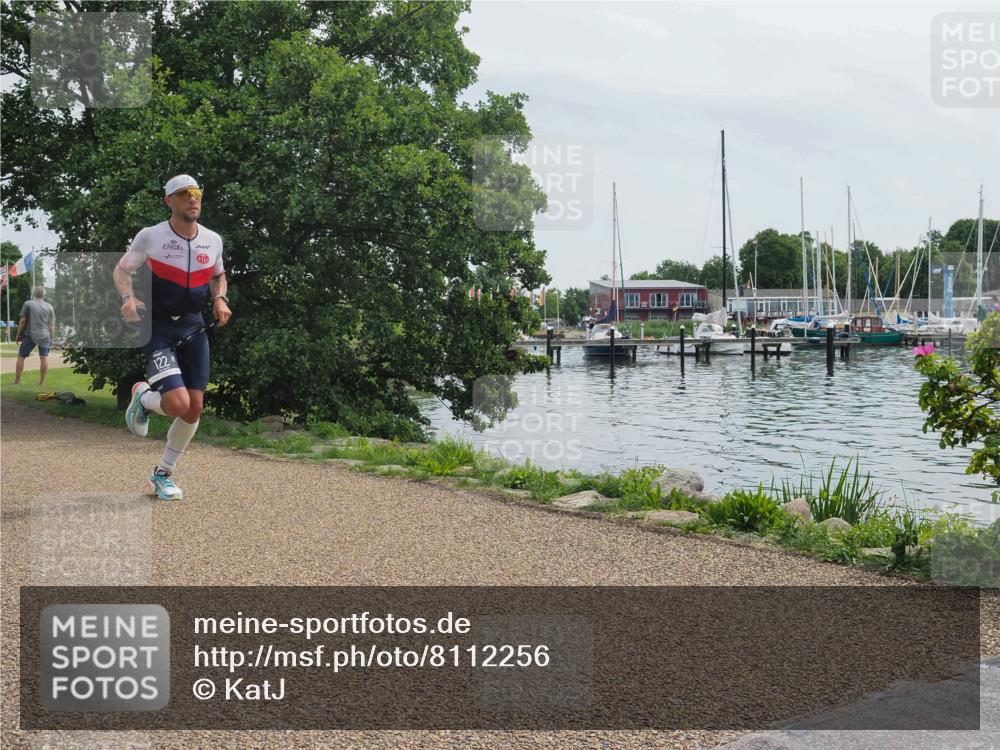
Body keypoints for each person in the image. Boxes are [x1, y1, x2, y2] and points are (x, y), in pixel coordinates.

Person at [113, 174, 232, 501]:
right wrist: (128, 298)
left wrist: (220, 298)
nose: (193, 199)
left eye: (197, 193)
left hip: (193, 328)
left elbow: (218, 276)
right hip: (159, 328)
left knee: (194, 408)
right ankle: (144, 398)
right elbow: (122, 270)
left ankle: (163, 473)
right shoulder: (151, 237)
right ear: (169, 201)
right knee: (177, 403)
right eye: (184, 194)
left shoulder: (213, 239)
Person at [14, 285, 56, 386]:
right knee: (44, 357)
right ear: (44, 295)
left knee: (21, 356)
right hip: (45, 335)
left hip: (30, 335)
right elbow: (51, 324)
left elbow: (23, 320)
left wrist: (18, 334)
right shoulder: (49, 306)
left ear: (34, 294)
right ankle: (42, 382)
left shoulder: (28, 304)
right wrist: (52, 337)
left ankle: (17, 381)